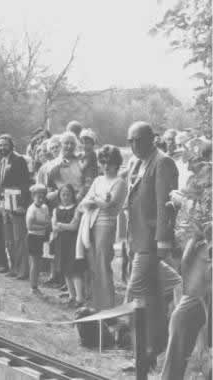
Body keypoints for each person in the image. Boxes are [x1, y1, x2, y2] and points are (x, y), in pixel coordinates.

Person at [124, 121, 179, 367]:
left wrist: (163, 242)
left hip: (152, 243)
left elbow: (163, 206)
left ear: (151, 139)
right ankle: (150, 354)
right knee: (152, 299)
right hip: (137, 240)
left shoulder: (162, 162)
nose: (134, 145)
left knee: (135, 294)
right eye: (130, 141)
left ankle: (141, 355)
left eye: (138, 139)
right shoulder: (138, 162)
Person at [79, 145, 127, 311]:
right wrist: (98, 200)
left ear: (117, 163)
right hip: (91, 223)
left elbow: (111, 206)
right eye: (103, 162)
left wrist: (97, 200)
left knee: (102, 264)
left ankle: (106, 305)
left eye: (110, 163)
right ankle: (95, 303)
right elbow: (85, 201)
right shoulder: (98, 180)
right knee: (93, 263)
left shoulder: (119, 182)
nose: (106, 166)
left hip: (106, 225)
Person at [161, 227, 212, 380]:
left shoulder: (197, 251)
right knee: (174, 372)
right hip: (188, 316)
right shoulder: (205, 254)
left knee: (174, 371)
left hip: (186, 316)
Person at [0, 134, 32, 278]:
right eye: (0, 145)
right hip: (5, 203)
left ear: (11, 145)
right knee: (8, 238)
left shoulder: (19, 160)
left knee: (19, 237)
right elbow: (1, 185)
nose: (2, 147)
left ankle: (23, 270)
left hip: (17, 202)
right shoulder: (2, 161)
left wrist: (22, 204)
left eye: (5, 145)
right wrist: (2, 202)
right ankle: (14, 268)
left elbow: (25, 183)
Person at [51, 184, 85, 307]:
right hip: (61, 242)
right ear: (59, 196)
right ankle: (72, 296)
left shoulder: (76, 209)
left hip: (73, 242)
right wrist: (61, 226)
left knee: (75, 270)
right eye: (63, 194)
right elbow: (54, 226)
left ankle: (80, 298)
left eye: (68, 194)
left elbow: (74, 226)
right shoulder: (56, 210)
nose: (66, 197)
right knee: (65, 269)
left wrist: (61, 226)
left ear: (72, 195)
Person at [26, 184, 50, 295]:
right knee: (34, 262)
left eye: (42, 197)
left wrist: (41, 224)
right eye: (38, 197)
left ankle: (35, 284)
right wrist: (43, 226)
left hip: (41, 237)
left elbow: (48, 221)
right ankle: (33, 286)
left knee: (39, 262)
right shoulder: (32, 209)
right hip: (33, 237)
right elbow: (30, 226)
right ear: (33, 197)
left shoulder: (45, 208)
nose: (41, 199)